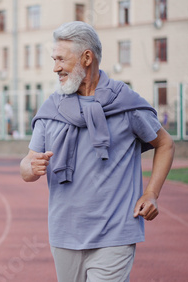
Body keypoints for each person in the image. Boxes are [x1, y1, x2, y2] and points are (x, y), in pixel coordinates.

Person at [20, 21, 175, 282]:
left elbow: (165, 144)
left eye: (60, 59)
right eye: (53, 59)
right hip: (64, 234)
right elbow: (26, 166)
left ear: (87, 58)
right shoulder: (51, 109)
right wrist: (30, 167)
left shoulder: (126, 104)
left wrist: (151, 193)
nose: (55, 67)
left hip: (115, 234)